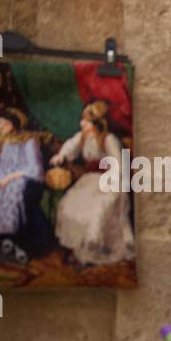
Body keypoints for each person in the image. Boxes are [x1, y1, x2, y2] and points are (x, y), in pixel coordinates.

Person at [53, 100, 133, 265]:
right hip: (88, 180)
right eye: (83, 120)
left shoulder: (108, 139)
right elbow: (70, 147)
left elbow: (117, 163)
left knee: (97, 209)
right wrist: (61, 155)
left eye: (87, 121)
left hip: (109, 181)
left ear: (96, 123)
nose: (82, 123)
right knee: (69, 206)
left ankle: (94, 250)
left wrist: (111, 180)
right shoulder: (82, 137)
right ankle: (78, 249)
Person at [0, 109, 44, 263]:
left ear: (15, 125)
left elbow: (34, 168)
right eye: (0, 122)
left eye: (6, 123)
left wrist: (10, 177)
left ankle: (15, 240)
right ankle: (2, 239)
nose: (2, 126)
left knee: (13, 192)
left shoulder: (27, 140)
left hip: (20, 176)